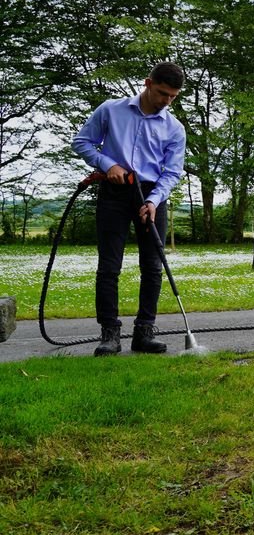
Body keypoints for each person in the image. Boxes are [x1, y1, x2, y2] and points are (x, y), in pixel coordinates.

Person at [72, 62, 186, 356]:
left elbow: (172, 172)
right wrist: (108, 164)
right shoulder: (110, 110)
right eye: (162, 93)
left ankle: (144, 333)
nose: (166, 101)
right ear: (148, 83)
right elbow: (82, 142)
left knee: (152, 267)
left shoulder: (174, 128)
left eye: (173, 97)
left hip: (151, 195)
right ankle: (110, 334)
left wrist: (153, 200)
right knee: (109, 266)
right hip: (114, 193)